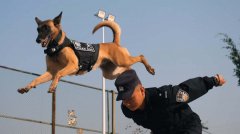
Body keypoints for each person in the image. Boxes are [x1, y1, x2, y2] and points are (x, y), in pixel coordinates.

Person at [114, 69, 226, 134]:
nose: (128, 103)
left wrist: (213, 81)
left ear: (142, 90)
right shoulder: (127, 110)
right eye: (124, 99)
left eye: (130, 98)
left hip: (186, 126)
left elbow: (188, 89)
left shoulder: (163, 97)